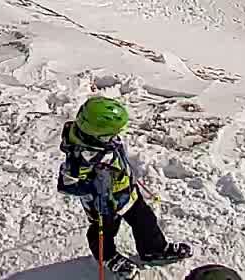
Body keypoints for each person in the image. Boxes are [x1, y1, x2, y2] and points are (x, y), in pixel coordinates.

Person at [56, 95, 190, 270]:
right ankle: (108, 257)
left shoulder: (98, 139)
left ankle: (153, 250)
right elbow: (65, 185)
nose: (115, 137)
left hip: (126, 192)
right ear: (97, 134)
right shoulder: (79, 159)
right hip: (103, 203)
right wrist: (93, 187)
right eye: (110, 135)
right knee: (104, 231)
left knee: (145, 219)